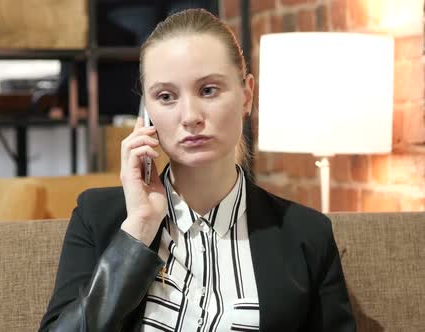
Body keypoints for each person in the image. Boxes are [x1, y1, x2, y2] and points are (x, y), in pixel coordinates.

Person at [39, 8, 356, 332]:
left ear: (247, 95)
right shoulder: (97, 218)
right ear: (147, 111)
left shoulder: (307, 235)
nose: (190, 116)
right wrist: (137, 232)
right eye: (166, 96)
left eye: (208, 90)